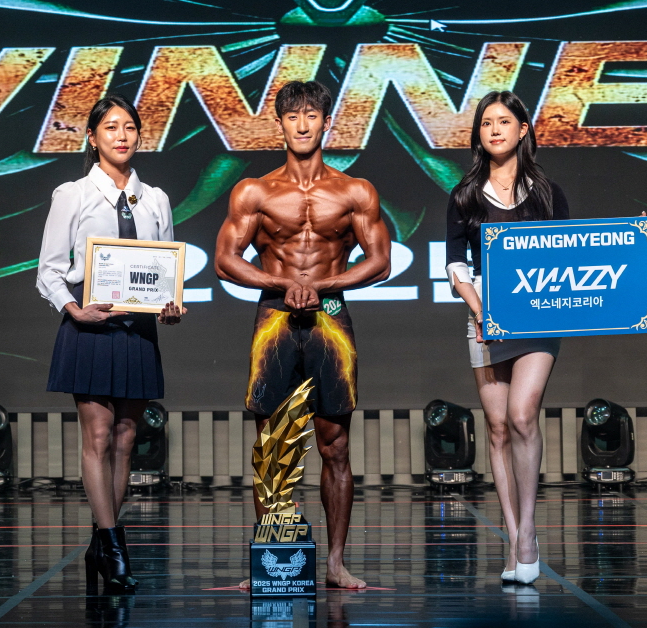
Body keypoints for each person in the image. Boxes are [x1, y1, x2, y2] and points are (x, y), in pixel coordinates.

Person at [214, 80, 391, 590]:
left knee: (334, 445)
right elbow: (225, 260)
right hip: (274, 316)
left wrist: (323, 285)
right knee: (274, 445)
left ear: (326, 122)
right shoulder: (254, 191)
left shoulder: (355, 191)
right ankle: (272, 560)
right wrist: (282, 283)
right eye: (293, 116)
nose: (302, 124)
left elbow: (380, 260)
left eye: (312, 115)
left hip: (330, 317)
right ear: (280, 124)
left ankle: (334, 563)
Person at [37, 94, 185, 593]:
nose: (122, 136)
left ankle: (101, 544)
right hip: (90, 326)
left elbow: (165, 272)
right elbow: (48, 270)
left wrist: (171, 306)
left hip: (138, 330)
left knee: (126, 438)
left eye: (130, 127)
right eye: (111, 127)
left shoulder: (156, 199)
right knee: (98, 436)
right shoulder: (73, 194)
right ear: (92, 137)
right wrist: (74, 308)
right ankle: (114, 545)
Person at [444, 91, 569, 585]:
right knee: (497, 429)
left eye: (503, 121)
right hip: (484, 318)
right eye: (486, 123)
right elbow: (456, 264)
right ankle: (513, 537)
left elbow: (575, 251)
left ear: (523, 129)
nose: (494, 130)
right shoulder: (464, 195)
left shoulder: (548, 193)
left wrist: (635, 238)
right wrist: (479, 310)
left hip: (538, 317)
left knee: (521, 415)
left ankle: (529, 533)